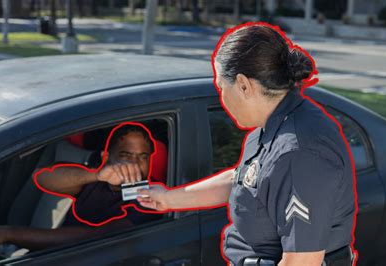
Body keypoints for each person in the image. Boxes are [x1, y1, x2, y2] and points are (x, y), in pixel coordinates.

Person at [136, 22, 357, 266]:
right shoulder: (272, 126)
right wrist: (168, 199)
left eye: (221, 87)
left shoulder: (299, 153)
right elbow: (245, 180)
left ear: (243, 85)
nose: (221, 97)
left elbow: (301, 262)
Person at [0, 124, 162, 253]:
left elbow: (96, 236)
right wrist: (97, 175)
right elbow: (43, 177)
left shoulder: (153, 196)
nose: (134, 163)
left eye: (142, 157)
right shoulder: (95, 179)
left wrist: (8, 233)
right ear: (106, 156)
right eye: (125, 155)